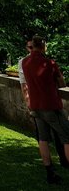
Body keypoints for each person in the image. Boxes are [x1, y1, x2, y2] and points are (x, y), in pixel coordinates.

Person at [22, 35, 69, 185]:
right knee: (67, 137)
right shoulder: (49, 63)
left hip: (36, 106)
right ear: (43, 46)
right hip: (50, 106)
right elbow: (61, 82)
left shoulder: (25, 62)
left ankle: (49, 172)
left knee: (43, 139)